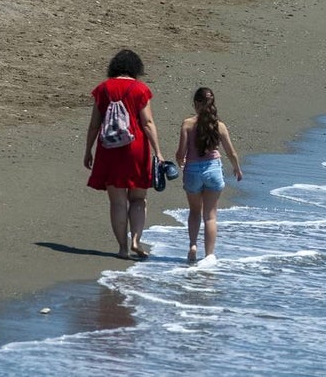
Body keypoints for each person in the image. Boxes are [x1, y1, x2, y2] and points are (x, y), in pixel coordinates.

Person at [84, 49, 165, 261]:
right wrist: (158, 151)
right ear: (136, 68)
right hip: (136, 147)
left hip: (109, 148)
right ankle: (136, 240)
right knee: (138, 199)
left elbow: (94, 124)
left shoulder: (103, 89)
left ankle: (122, 248)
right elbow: (147, 123)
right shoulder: (140, 89)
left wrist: (88, 150)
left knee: (118, 202)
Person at [176, 87, 243, 264]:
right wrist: (237, 168)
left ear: (196, 104)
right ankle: (209, 255)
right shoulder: (218, 125)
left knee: (195, 211)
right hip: (213, 169)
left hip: (192, 171)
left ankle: (192, 246)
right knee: (211, 215)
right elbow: (231, 152)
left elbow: (180, 153)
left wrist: (181, 164)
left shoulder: (188, 124)